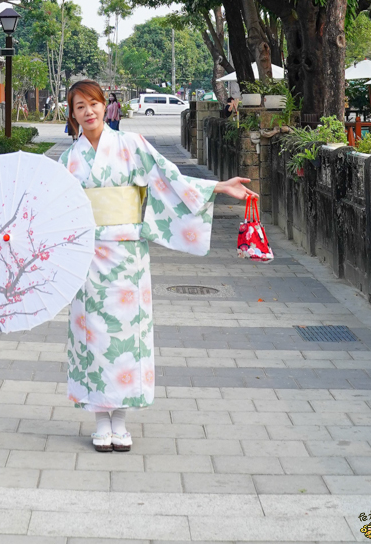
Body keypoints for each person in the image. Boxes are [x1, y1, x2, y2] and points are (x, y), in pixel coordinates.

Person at [59, 79, 256, 453]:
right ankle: (101, 418)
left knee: (127, 335)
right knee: (94, 337)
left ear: (105, 106)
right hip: (88, 254)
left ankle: (122, 419)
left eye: (94, 103)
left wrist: (217, 187)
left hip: (129, 256)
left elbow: (170, 178)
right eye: (80, 106)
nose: (88, 111)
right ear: (72, 114)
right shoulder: (69, 159)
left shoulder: (131, 145)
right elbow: (57, 207)